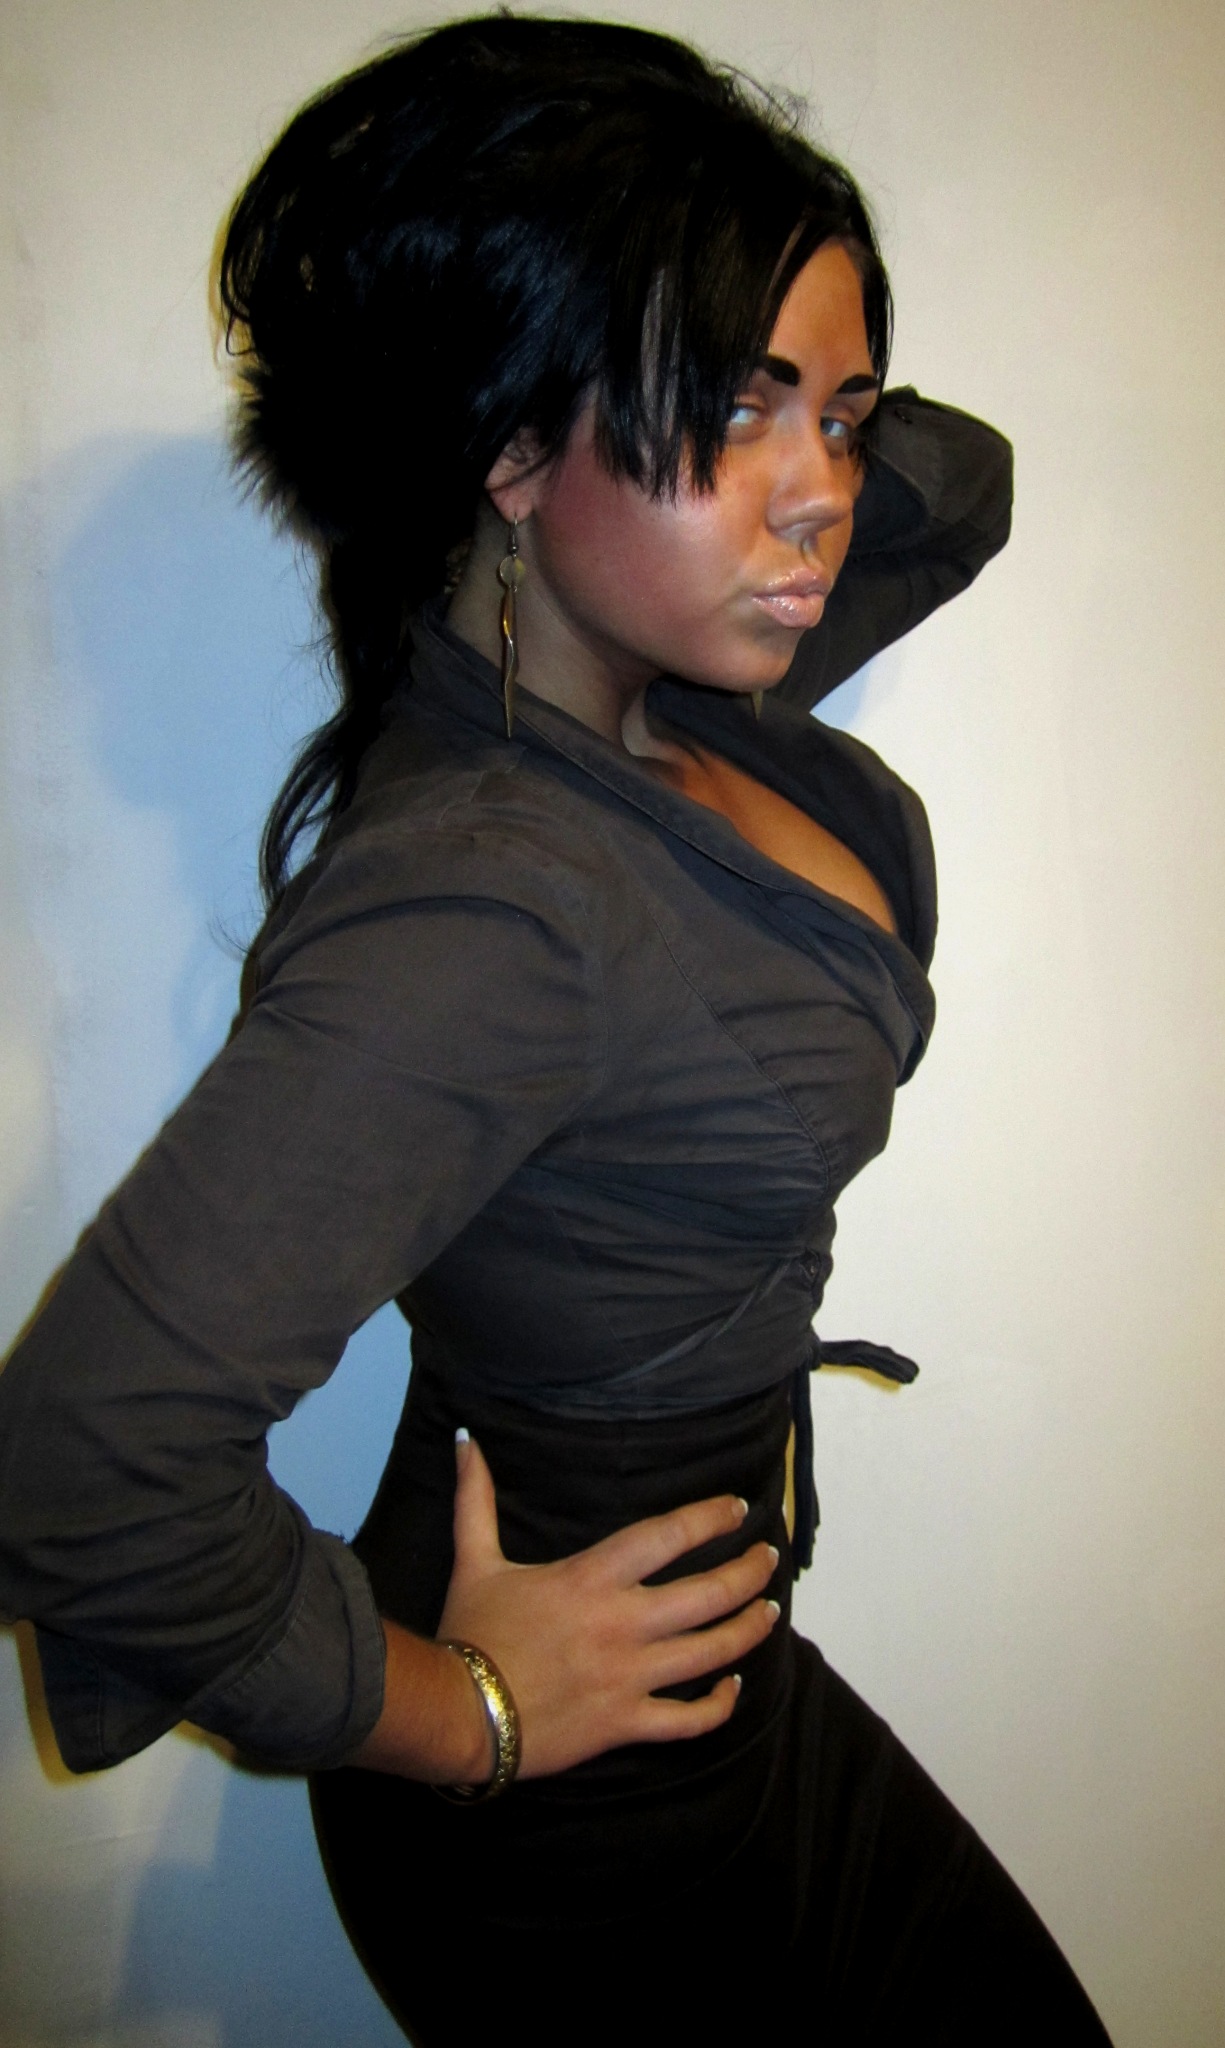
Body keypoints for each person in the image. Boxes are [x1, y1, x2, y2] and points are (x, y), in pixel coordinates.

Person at [0, 16, 1113, 2045]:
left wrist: (705, 287)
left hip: (731, 1691)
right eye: (741, 409)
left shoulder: (651, 693)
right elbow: (84, 1469)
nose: (822, 496)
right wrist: (475, 1711)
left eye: (839, 414)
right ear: (507, 449)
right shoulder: (493, 893)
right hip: (582, 1820)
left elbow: (959, 486)